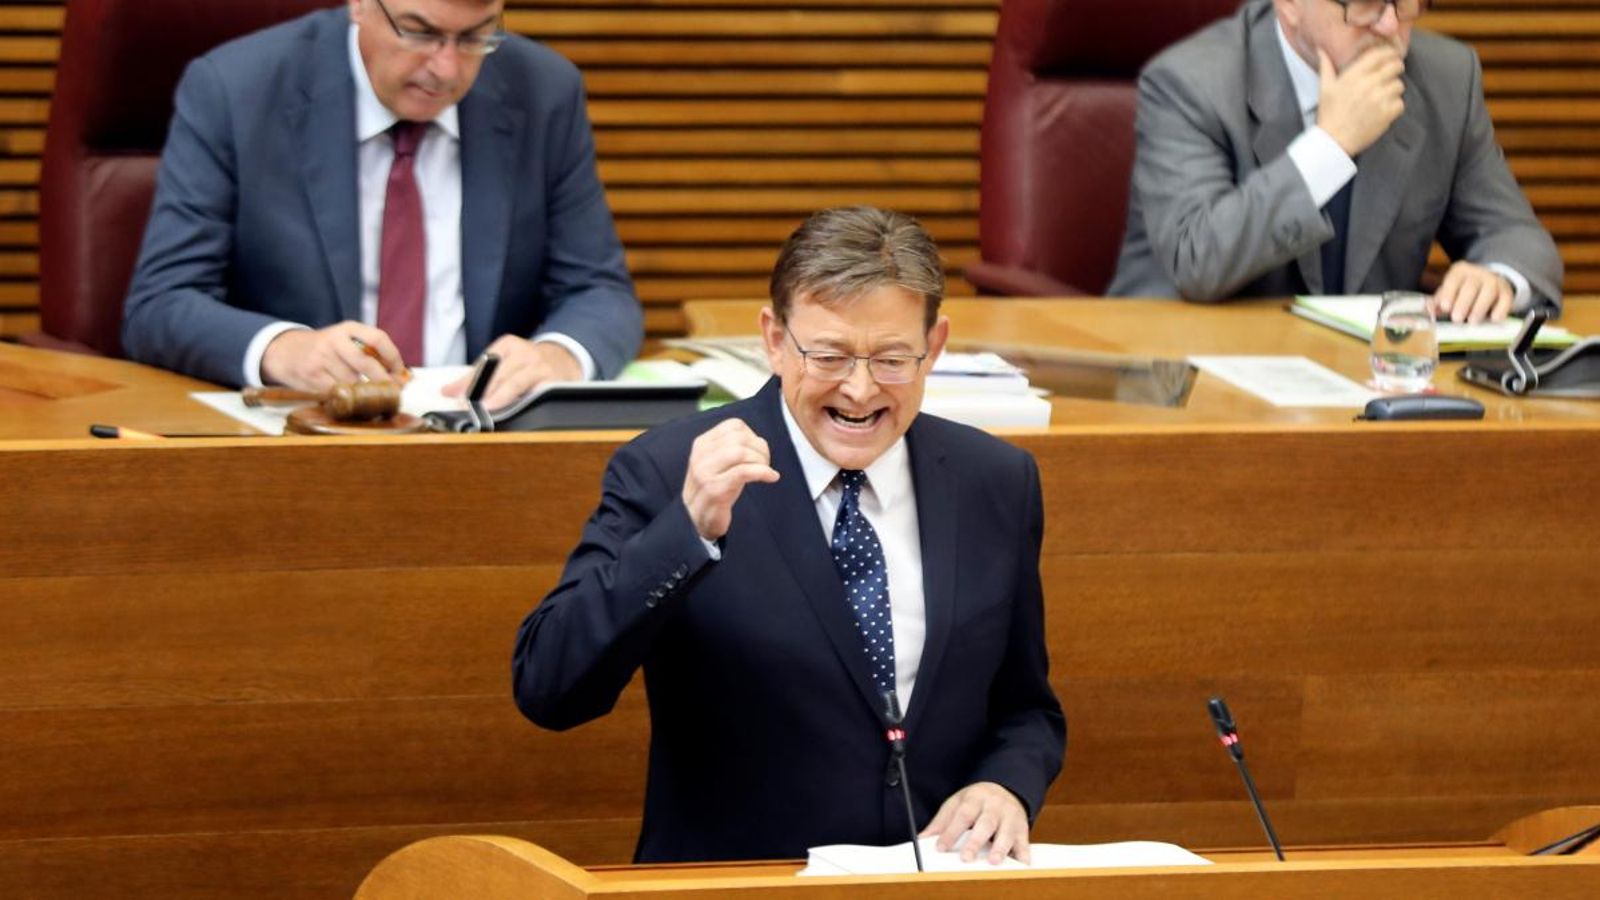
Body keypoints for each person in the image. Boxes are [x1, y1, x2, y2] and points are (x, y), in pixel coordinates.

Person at [512, 206, 1065, 864]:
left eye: (892, 359)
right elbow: (550, 687)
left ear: (935, 346)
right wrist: (684, 532)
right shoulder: (669, 469)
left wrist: (1006, 785)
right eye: (828, 356)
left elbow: (1027, 710)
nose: (859, 391)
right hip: (739, 882)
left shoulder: (995, 482)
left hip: (929, 879)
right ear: (773, 340)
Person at [121, 0, 641, 408]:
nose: (446, 68)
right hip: (302, 446)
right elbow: (161, 303)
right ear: (359, 4)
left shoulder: (543, 92)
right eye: (419, 31)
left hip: (483, 443)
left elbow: (600, 290)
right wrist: (286, 350)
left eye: (474, 37)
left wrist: (557, 357)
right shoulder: (236, 89)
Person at [1109, 0, 1563, 323]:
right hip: (1186, 376)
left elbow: (1516, 236)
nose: (1389, 26)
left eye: (1405, 3)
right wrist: (1331, 145)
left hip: (1358, 388)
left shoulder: (1446, 80)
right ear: (1289, 5)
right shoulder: (1190, 83)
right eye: (1363, 5)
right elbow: (1199, 261)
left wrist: (1497, 278)